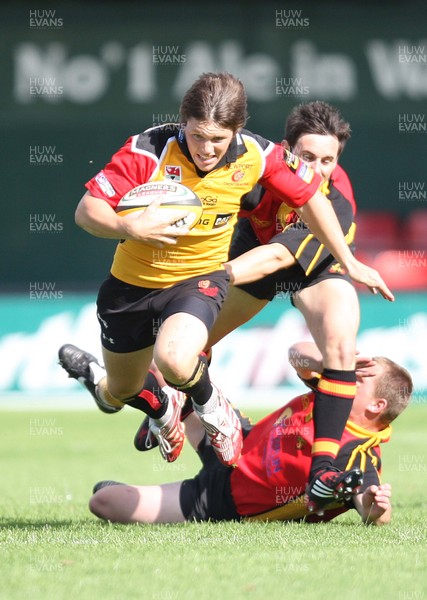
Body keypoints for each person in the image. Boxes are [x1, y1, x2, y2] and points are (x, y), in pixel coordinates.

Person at [58, 72, 391, 471]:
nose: (207, 149)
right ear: (184, 123)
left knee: (180, 358)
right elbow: (87, 211)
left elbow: (293, 230)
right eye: (198, 136)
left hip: (254, 271)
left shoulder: (269, 162)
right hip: (162, 276)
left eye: (218, 139)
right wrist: (129, 227)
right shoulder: (150, 150)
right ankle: (137, 399)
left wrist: (351, 263)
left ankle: (292, 452)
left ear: (237, 130)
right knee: (128, 386)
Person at [88, 341, 412, 524]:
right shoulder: (330, 389)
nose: (347, 377)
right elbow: (296, 353)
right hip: (234, 440)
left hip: (223, 501)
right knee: (172, 363)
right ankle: (161, 410)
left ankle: (164, 415)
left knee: (104, 501)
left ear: (376, 405)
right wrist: (325, 360)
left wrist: (376, 505)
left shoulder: (360, 455)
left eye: (359, 378)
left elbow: (371, 510)